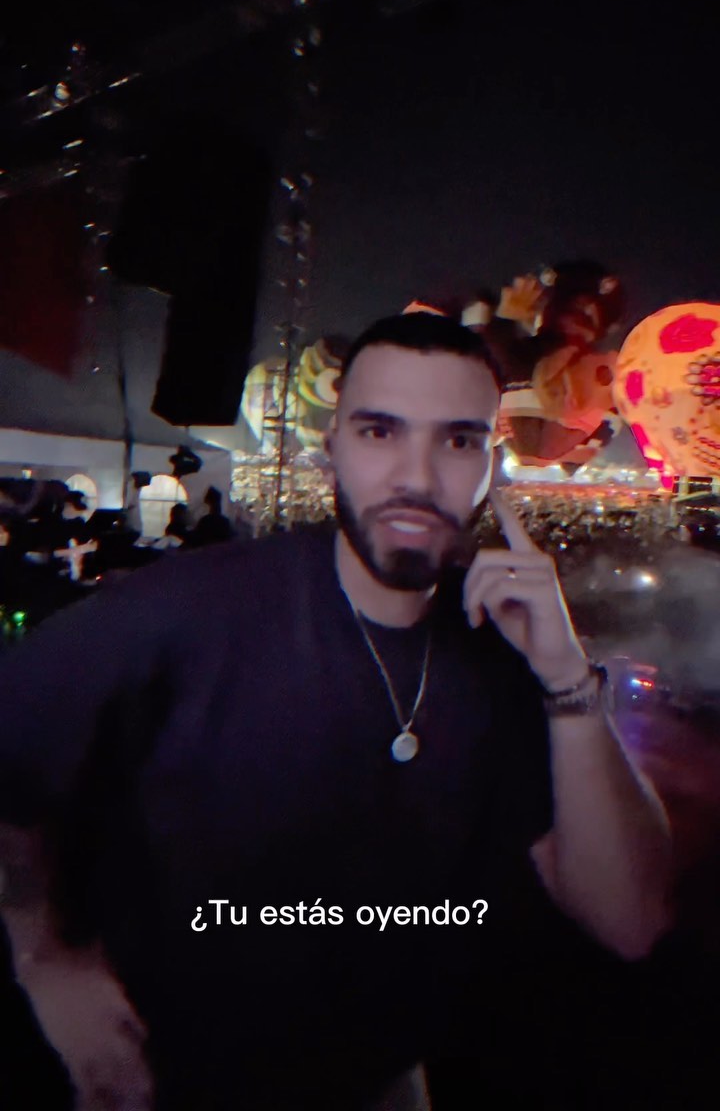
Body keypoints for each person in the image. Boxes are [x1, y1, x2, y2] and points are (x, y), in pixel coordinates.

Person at [0, 313, 671, 1111]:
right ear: (334, 452)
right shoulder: (181, 612)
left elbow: (630, 919)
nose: (417, 476)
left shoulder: (503, 654)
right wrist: (46, 958)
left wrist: (567, 678)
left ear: (491, 467)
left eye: (457, 440)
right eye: (381, 432)